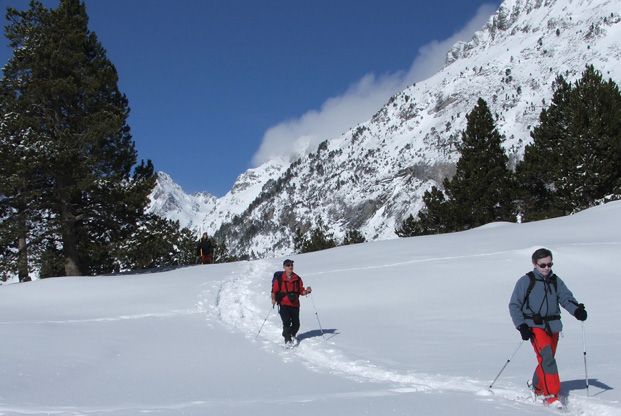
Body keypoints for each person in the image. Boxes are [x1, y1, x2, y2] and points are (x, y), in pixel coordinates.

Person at [509, 248, 588, 409]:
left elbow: (566, 298)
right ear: (535, 264)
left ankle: (536, 385)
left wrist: (577, 311)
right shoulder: (526, 281)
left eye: (549, 264)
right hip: (534, 326)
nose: (546, 268)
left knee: (546, 360)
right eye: (542, 265)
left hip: (554, 326)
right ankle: (551, 396)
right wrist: (521, 325)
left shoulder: (555, 280)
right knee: (547, 359)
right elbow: (514, 305)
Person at [271, 259, 312, 346]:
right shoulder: (279, 279)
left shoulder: (297, 278)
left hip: (295, 305)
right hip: (284, 304)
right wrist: (273, 299)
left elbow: (301, 291)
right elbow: (274, 291)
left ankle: (291, 335)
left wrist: (307, 291)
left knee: (296, 324)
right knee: (286, 323)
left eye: (291, 265)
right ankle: (287, 340)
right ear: (284, 267)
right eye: (288, 265)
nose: (290, 267)